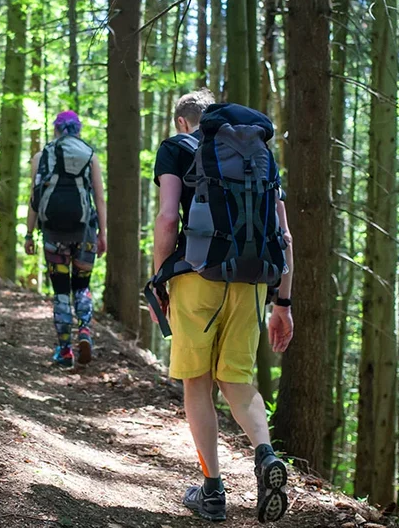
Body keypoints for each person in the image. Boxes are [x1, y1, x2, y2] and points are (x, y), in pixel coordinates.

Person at [149, 90, 296, 523]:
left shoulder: (176, 149)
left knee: (197, 382)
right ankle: (266, 456)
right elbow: (284, 237)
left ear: (182, 121)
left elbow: (168, 219)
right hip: (253, 281)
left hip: (197, 277)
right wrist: (283, 302)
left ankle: (212, 491)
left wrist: (162, 277)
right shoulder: (259, 156)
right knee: (236, 377)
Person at [24, 111, 108, 369]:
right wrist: (103, 233)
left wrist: (29, 234)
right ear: (78, 129)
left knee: (61, 290)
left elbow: (35, 199)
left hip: (53, 233)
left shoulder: (42, 156)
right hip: (85, 233)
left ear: (56, 129)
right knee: (81, 286)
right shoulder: (89, 154)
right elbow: (99, 198)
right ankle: (84, 331)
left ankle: (64, 350)